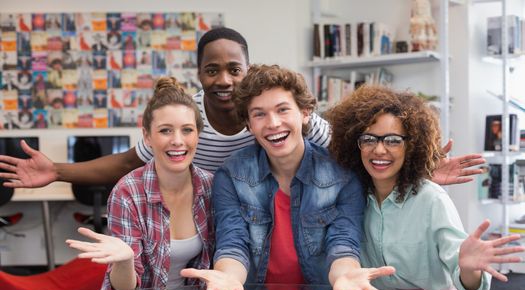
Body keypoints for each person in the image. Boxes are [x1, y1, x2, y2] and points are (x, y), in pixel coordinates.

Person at [0, 27, 481, 187]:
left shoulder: (282, 115)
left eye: (235, 68)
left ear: (248, 71)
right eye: (213, 69)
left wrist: (416, 169)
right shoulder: (185, 120)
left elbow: (358, 150)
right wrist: (57, 171)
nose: (224, 79)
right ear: (199, 75)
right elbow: (128, 163)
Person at [182, 64, 395, 290]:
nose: (273, 123)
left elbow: (343, 242)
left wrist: (345, 275)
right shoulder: (230, 176)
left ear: (304, 113)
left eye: (282, 110)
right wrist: (228, 277)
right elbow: (233, 243)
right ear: (249, 125)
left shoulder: (343, 175)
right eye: (259, 114)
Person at [327, 84, 524, 290]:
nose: (379, 150)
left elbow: (472, 288)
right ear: (355, 144)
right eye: (369, 139)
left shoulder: (432, 199)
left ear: (411, 147)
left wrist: (469, 269)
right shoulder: (352, 199)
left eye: (393, 140)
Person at [65, 77, 214, 290]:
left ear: (198, 135)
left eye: (187, 130)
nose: (178, 141)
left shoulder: (211, 187)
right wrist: (125, 261)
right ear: (147, 136)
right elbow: (124, 288)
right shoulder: (127, 192)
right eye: (165, 130)